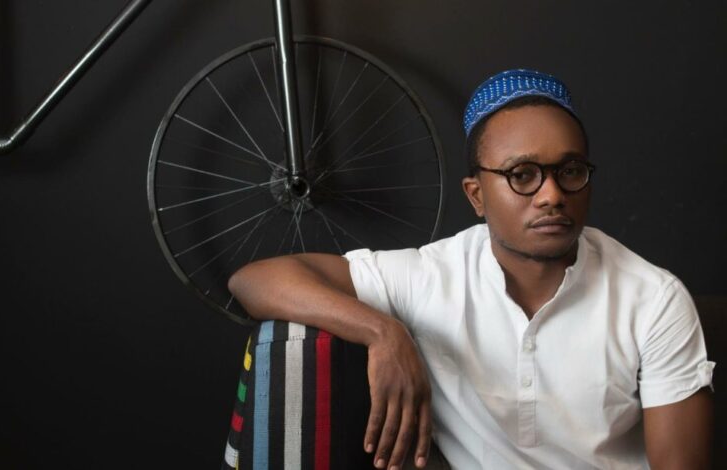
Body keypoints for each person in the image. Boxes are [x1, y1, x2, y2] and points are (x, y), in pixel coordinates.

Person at [228, 69, 715, 469]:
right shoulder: (431, 277)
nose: (551, 195)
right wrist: (383, 332)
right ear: (477, 196)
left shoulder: (653, 298)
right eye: (522, 175)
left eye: (569, 171)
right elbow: (253, 280)